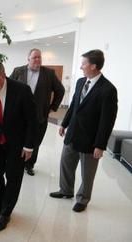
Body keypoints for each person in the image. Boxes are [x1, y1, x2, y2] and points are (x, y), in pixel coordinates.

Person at [49, 49, 118, 212]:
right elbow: (74, 106)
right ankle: (66, 190)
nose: (81, 67)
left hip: (90, 139)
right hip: (72, 133)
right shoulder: (81, 82)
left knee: (87, 173)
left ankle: (83, 199)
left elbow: (107, 121)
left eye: (83, 64)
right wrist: (64, 124)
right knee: (66, 164)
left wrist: (100, 145)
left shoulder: (108, 90)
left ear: (93, 66)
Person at [0, 60, 37, 231]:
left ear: (3, 75)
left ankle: (6, 213)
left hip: (17, 144)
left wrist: (29, 146)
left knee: (13, 178)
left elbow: (32, 121)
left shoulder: (22, 91)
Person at [10, 48, 65, 176]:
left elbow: (60, 90)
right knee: (18, 140)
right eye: (34, 57)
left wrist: (53, 107)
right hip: (19, 115)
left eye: (39, 57)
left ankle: (29, 165)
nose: (37, 60)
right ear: (28, 59)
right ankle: (18, 163)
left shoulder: (49, 73)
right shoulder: (18, 71)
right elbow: (9, 87)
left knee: (35, 142)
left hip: (39, 116)